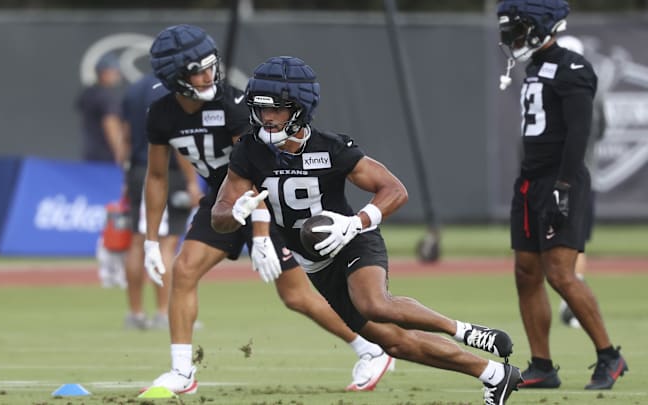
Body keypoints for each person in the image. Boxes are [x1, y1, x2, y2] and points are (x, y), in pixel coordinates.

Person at [211, 55, 522, 405]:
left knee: (374, 303)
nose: (267, 117)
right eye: (261, 108)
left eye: (277, 109)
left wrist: (355, 222)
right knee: (393, 342)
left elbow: (394, 190)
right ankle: (494, 374)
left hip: (350, 239)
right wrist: (236, 212)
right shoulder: (248, 152)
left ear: (299, 109)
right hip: (315, 263)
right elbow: (219, 216)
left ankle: (464, 330)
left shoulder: (331, 147)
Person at [141, 24, 395, 394]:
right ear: (173, 77)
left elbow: (258, 170)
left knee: (295, 296)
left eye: (211, 66)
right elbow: (156, 177)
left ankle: (370, 349)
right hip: (223, 204)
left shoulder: (232, 107)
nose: (208, 75)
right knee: (184, 269)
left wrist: (261, 234)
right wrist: (151, 240)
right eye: (197, 70)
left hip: (268, 200)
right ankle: (182, 373)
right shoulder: (161, 114)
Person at [497, 0, 628, 390]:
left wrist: (564, 187)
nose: (512, 38)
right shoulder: (534, 66)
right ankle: (543, 365)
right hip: (529, 182)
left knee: (560, 274)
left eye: (518, 29)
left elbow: (579, 134)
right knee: (526, 273)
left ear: (539, 28)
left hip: (559, 181)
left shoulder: (573, 67)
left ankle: (609, 356)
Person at [121, 73, 202, 329]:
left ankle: (135, 313)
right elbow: (178, 142)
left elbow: (125, 137)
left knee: (138, 241)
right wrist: (191, 182)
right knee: (165, 244)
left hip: (136, 169)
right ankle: (164, 313)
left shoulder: (133, 90)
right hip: (164, 172)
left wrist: (127, 174)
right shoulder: (170, 93)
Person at [554, 35, 604, 329]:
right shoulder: (593, 89)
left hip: (558, 177)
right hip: (581, 176)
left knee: (565, 243)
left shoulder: (544, 85)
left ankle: (570, 302)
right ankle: (570, 302)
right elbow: (600, 129)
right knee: (576, 243)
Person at [76, 53, 127, 164]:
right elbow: (111, 125)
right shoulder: (105, 97)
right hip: (107, 158)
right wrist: (121, 154)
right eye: (115, 72)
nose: (118, 75)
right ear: (104, 73)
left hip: (91, 155)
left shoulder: (89, 93)